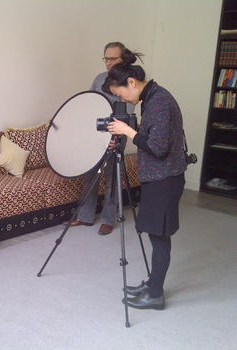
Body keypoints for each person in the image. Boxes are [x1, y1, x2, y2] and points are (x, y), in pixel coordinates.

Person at [103, 49, 187, 310]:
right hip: (159, 178)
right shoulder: (152, 99)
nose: (124, 100)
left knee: (159, 238)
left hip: (165, 179)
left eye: (121, 94)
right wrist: (131, 129)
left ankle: (155, 295)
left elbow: (158, 147)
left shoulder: (159, 101)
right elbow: (154, 138)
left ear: (131, 82)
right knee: (154, 235)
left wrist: (128, 130)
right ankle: (152, 284)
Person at [64, 42, 135, 235]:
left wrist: (117, 134)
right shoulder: (99, 78)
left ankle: (108, 219)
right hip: (96, 134)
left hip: (117, 134)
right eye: (106, 58)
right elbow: (87, 103)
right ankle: (85, 216)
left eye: (113, 58)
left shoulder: (129, 80)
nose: (109, 62)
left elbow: (128, 112)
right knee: (91, 176)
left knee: (111, 178)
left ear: (123, 59)